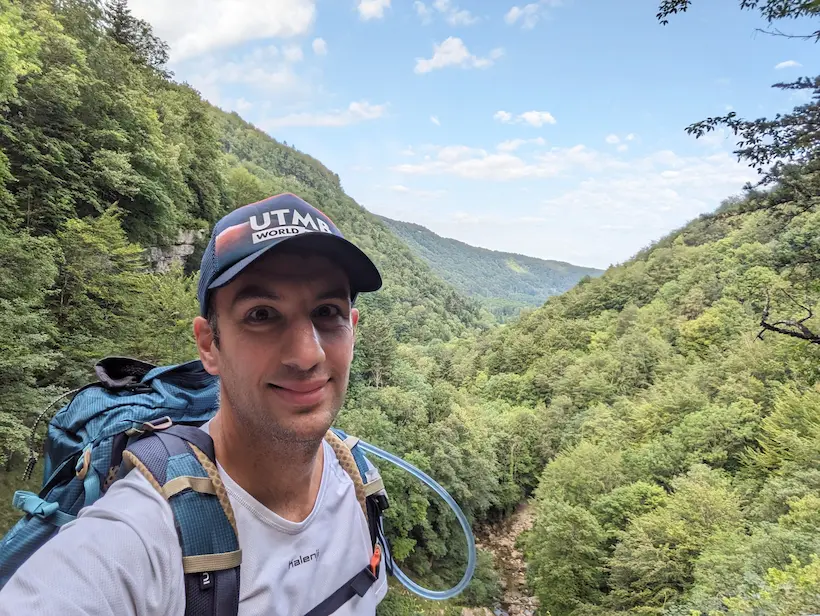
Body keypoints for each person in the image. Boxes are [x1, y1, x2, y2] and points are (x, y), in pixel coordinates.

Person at [0, 193, 388, 615]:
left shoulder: (359, 483)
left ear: (351, 329)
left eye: (326, 311)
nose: (307, 355)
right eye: (262, 314)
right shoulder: (143, 534)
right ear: (209, 345)